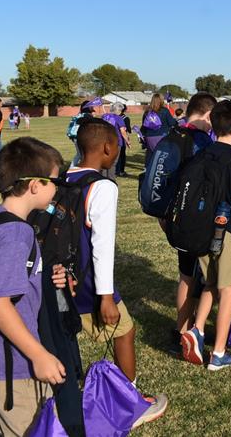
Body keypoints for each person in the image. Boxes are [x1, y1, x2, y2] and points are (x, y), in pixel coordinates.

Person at [67, 119, 168, 422]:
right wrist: (106, 296)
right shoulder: (102, 186)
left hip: (62, 277)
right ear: (108, 148)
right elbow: (102, 244)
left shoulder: (63, 177)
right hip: (88, 281)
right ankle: (131, 405)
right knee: (125, 331)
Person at [0, 138, 69, 436]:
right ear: (35, 185)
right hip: (11, 364)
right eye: (55, 181)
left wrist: (45, 275)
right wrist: (38, 355)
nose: (57, 189)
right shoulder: (17, 234)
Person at [180, 101, 231, 371]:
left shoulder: (200, 155)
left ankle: (197, 329)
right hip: (224, 233)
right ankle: (219, 354)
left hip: (200, 232)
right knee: (228, 290)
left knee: (210, 282)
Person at [164, 93, 218, 350]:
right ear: (208, 115)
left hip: (172, 217)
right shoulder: (201, 142)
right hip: (196, 218)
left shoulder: (173, 135)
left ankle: (180, 329)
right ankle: (192, 331)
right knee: (206, 277)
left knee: (186, 275)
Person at [100, 102, 131, 178]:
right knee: (113, 162)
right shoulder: (119, 118)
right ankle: (111, 179)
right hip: (115, 142)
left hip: (104, 141)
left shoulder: (104, 116)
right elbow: (123, 132)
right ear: (119, 110)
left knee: (105, 160)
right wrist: (128, 141)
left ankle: (103, 177)